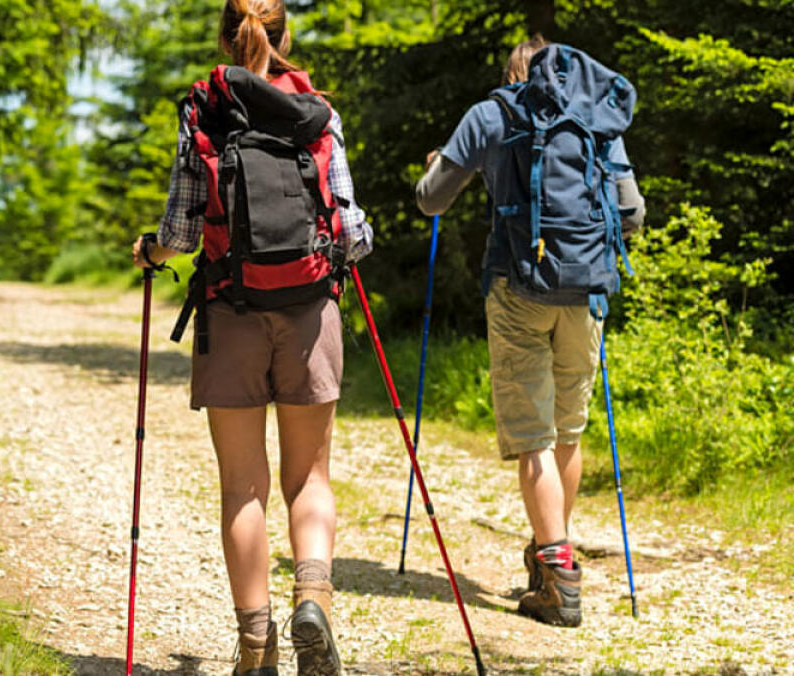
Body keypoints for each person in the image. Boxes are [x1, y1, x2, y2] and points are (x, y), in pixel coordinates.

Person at [131, 1, 373, 673]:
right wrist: (347, 247)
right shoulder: (317, 113)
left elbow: (181, 232)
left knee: (243, 487)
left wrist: (151, 251)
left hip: (230, 310)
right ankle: (314, 599)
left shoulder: (203, 108)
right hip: (309, 312)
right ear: (285, 36)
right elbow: (351, 230)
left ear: (224, 36)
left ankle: (256, 649)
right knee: (310, 478)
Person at [415, 36, 646, 627]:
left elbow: (431, 201)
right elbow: (633, 215)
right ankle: (551, 552)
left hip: (517, 286)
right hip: (587, 292)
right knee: (567, 429)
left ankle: (558, 577)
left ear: (512, 71)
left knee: (533, 438)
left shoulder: (491, 113)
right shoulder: (598, 118)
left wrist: (435, 169)